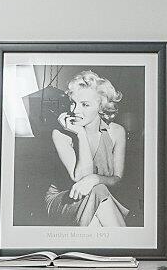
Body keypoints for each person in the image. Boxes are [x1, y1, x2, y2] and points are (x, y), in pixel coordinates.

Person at [48, 70, 130, 229]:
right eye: (73, 102)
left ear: (101, 106)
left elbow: (117, 178)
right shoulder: (59, 134)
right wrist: (81, 134)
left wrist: (95, 179)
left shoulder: (116, 132)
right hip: (64, 199)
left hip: (98, 194)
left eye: (85, 104)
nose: (75, 110)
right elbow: (80, 178)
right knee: (98, 193)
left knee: (98, 192)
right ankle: (127, 245)